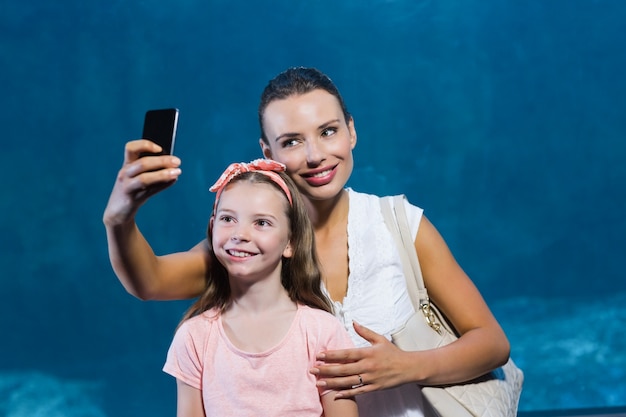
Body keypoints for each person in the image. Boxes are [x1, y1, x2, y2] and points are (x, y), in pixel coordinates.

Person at [103, 67, 511, 417]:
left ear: (351, 132)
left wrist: (405, 366)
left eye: (328, 131)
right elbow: (150, 281)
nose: (315, 155)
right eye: (292, 141)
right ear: (268, 152)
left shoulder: (399, 223)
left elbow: (492, 344)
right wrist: (119, 217)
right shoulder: (252, 245)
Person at [162, 158, 357, 416]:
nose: (240, 234)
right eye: (228, 219)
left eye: (261, 223)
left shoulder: (323, 332)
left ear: (291, 242)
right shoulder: (194, 338)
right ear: (212, 229)